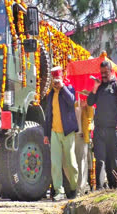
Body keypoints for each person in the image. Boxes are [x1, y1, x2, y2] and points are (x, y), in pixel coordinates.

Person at [87, 60, 117, 189]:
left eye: (106, 72)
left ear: (111, 71)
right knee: (99, 160)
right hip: (99, 130)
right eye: (101, 72)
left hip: (113, 130)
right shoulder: (98, 87)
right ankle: (99, 189)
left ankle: (116, 187)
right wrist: (95, 87)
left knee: (114, 161)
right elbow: (89, 102)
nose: (103, 75)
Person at [44, 66, 79, 201]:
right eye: (54, 80)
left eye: (58, 79)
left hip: (67, 132)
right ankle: (59, 191)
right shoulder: (51, 94)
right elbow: (48, 114)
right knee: (55, 164)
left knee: (71, 163)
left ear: (62, 78)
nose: (56, 83)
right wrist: (46, 134)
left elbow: (71, 101)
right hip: (54, 132)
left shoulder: (69, 88)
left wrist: (63, 87)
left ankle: (74, 188)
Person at [74, 98, 94, 195]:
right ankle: (72, 187)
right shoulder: (71, 97)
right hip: (70, 136)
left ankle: (80, 189)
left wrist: (88, 104)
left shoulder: (87, 98)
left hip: (82, 135)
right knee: (71, 163)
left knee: (81, 162)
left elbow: (91, 116)